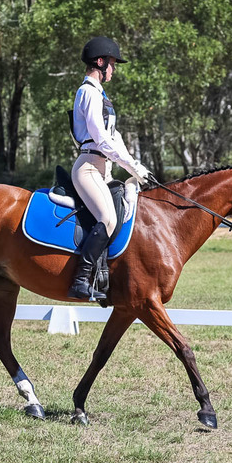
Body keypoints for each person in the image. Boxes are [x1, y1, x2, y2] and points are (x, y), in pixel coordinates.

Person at [67, 36, 151, 301]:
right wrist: (132, 166)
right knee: (108, 218)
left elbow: (115, 138)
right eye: (113, 64)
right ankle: (81, 279)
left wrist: (137, 167)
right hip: (89, 168)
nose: (114, 69)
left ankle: (107, 275)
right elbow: (101, 140)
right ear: (100, 62)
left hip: (105, 170)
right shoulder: (88, 92)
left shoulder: (102, 96)